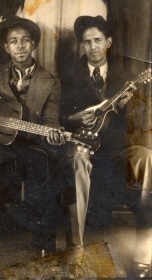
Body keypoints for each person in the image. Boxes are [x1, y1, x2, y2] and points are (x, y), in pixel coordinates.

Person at [60, 15, 151, 276]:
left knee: (146, 157)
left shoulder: (125, 77)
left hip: (116, 146)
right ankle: (77, 248)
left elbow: (139, 122)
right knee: (77, 160)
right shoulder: (70, 75)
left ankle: (145, 248)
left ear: (108, 42)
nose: (93, 47)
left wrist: (127, 107)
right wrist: (74, 118)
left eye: (98, 40)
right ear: (82, 46)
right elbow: (59, 117)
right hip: (83, 143)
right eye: (87, 42)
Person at [0, 16, 64, 250]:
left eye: (25, 41)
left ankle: (41, 238)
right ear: (6, 47)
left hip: (30, 141)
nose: (20, 46)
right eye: (14, 41)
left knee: (41, 166)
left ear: (33, 45)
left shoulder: (50, 82)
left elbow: (51, 120)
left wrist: (53, 132)